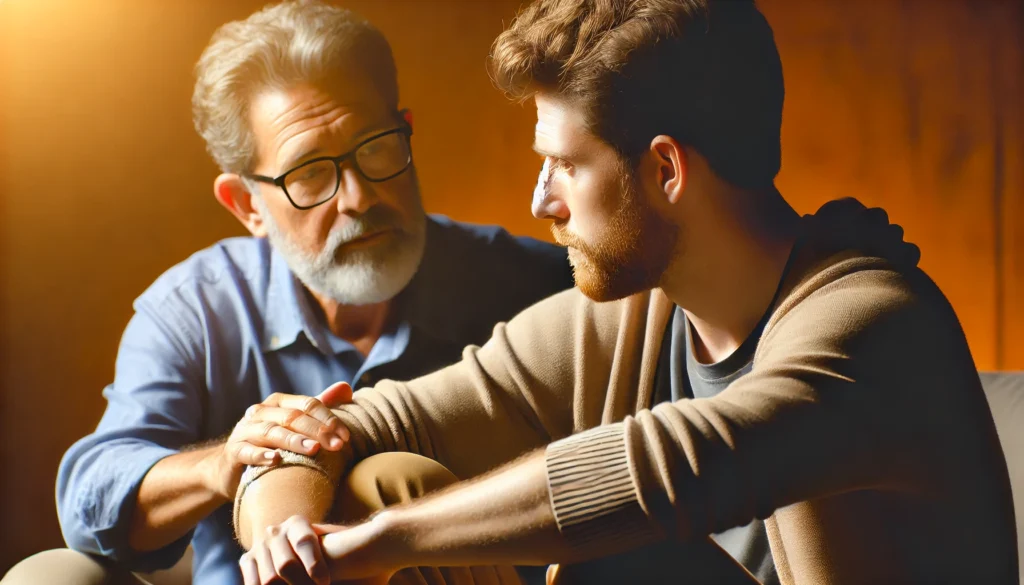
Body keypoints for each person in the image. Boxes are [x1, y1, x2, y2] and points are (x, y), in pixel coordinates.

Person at [233, 0, 1019, 584]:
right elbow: (349, 425)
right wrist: (287, 538)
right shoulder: (634, 317)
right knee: (375, 480)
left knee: (615, 566)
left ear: (666, 170)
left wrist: (380, 543)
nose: (541, 201)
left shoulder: (876, 323)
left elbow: (666, 468)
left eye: (566, 166)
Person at [8, 2, 574, 585]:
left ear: (406, 128)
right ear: (247, 205)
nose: (357, 197)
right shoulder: (196, 309)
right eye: (310, 173)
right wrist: (224, 464)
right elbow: (94, 493)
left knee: (384, 477)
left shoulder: (536, 284)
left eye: (375, 146)